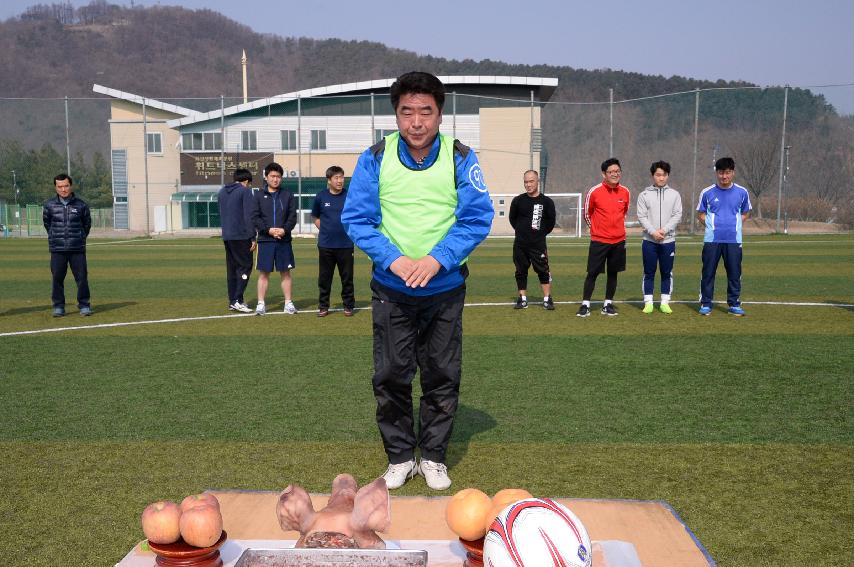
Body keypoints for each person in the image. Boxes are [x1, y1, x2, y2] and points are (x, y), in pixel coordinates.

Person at [341, 71, 494, 491]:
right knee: (390, 373)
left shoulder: (461, 156)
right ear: (396, 115)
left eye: (425, 111)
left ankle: (433, 457)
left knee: (442, 373)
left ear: (440, 114)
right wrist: (393, 259)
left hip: (444, 290)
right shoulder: (375, 156)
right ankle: (400, 457)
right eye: (406, 111)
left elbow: (477, 217)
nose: (416, 121)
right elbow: (357, 219)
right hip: (392, 289)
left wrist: (436, 259)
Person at [697, 157, 752, 316]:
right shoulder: (707, 192)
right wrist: (711, 226)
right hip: (712, 240)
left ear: (733, 173)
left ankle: (734, 303)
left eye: (727, 173)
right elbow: (700, 214)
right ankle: (706, 303)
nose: (724, 176)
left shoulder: (742, 192)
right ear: (717, 173)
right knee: (708, 272)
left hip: (733, 240)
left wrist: (735, 224)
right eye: (721, 173)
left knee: (734, 273)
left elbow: (746, 212)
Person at [576, 158, 630, 317]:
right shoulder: (595, 191)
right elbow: (587, 213)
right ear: (604, 174)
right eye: (611, 172)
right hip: (599, 240)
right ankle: (585, 304)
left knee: (613, 273)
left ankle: (608, 304)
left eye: (617, 171)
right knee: (592, 273)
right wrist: (596, 229)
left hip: (619, 241)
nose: (615, 174)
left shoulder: (625, 192)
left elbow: (624, 212)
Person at [250, 162, 298, 316]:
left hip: (284, 240)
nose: (275, 179)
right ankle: (261, 304)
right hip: (265, 240)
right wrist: (268, 230)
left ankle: (288, 303)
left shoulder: (287, 195)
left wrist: (284, 230)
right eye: (272, 176)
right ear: (266, 177)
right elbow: (255, 217)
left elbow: (292, 216)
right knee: (264, 273)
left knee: (285, 272)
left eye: (278, 176)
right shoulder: (258, 195)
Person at [636, 160, 683, 314]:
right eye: (658, 175)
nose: (661, 178)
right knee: (649, 272)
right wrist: (653, 232)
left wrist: (664, 230)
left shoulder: (675, 195)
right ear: (652, 176)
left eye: (664, 175)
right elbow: (641, 216)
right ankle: (648, 302)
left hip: (668, 240)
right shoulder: (644, 195)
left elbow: (677, 215)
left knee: (666, 272)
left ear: (668, 176)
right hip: (649, 241)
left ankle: (664, 302)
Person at [43, 174, 92, 317]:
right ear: (55, 187)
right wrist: (55, 237)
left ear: (70, 186)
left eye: (66, 186)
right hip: (57, 249)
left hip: (77, 248)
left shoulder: (81, 205)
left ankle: (84, 305)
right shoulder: (49, 205)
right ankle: (58, 306)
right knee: (57, 278)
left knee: (82, 278)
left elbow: (86, 225)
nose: (63, 189)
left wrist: (79, 238)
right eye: (60, 186)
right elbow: (47, 224)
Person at [311, 166, 356, 317]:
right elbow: (315, 217)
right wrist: (324, 230)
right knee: (324, 278)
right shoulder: (321, 196)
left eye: (342, 177)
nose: (340, 181)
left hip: (345, 244)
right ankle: (323, 306)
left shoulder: (349, 196)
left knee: (347, 277)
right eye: (336, 178)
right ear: (329, 180)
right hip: (326, 245)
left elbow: (356, 216)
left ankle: (348, 305)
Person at [509, 169, 556, 310]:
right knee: (520, 271)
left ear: (537, 182)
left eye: (531, 181)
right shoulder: (518, 201)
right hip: (520, 244)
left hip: (538, 244)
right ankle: (522, 299)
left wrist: (539, 234)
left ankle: (547, 299)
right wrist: (522, 232)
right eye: (526, 182)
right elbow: (512, 219)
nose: (528, 185)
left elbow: (551, 222)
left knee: (543, 271)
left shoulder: (547, 202)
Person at [217, 168, 257, 313]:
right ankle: (237, 300)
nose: (249, 186)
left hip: (227, 236)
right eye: (249, 184)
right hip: (241, 236)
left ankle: (233, 300)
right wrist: (252, 236)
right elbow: (249, 215)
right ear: (246, 181)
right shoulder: (244, 191)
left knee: (232, 269)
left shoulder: (222, 191)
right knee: (245, 266)